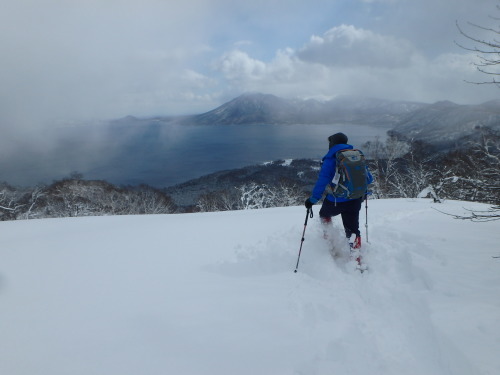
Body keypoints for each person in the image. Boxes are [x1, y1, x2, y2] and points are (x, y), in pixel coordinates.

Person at [304, 132, 373, 249]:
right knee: (352, 229)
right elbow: (369, 178)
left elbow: (322, 181)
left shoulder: (331, 159)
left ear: (332, 144)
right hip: (355, 199)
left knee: (324, 214)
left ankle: (329, 240)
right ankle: (356, 258)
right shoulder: (356, 156)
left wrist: (313, 199)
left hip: (336, 201)